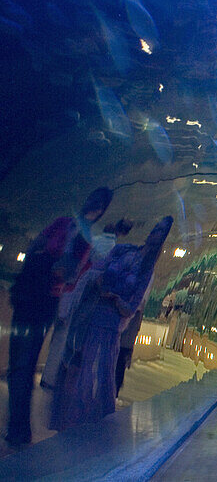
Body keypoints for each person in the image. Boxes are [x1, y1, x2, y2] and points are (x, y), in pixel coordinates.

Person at [4, 187, 110, 446]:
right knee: (18, 362)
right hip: (30, 293)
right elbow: (37, 246)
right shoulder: (64, 223)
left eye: (99, 204)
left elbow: (70, 277)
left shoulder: (85, 241)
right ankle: (16, 427)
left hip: (44, 302)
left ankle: (19, 429)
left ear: (101, 211)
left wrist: (52, 266)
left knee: (25, 363)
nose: (92, 206)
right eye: (92, 199)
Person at [49, 216, 172, 432]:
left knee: (102, 376)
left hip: (110, 326)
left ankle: (95, 428)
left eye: (161, 232)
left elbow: (132, 306)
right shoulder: (124, 250)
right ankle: (73, 423)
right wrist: (99, 282)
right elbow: (94, 272)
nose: (155, 234)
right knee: (82, 371)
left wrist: (114, 298)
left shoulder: (146, 271)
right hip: (91, 317)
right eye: (156, 229)